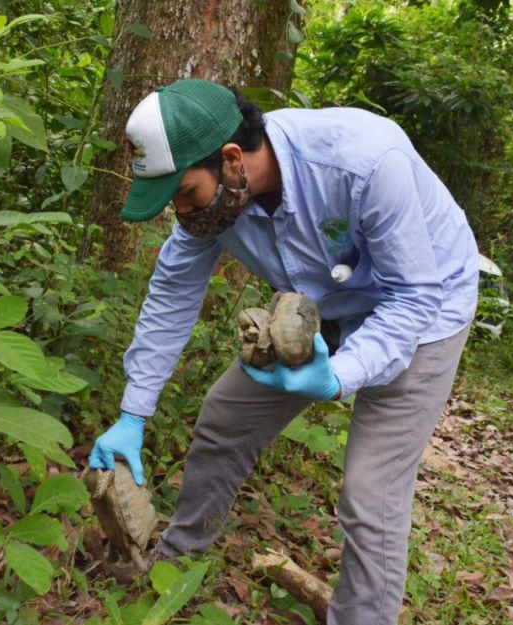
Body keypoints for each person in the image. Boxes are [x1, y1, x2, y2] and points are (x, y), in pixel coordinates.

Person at [87, 78, 479, 625]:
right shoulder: (213, 207)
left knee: (371, 496)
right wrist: (133, 412)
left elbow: (414, 295)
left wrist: (338, 375)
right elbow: (172, 296)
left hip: (424, 306)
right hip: (316, 307)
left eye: (184, 192)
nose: (180, 212)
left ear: (230, 160)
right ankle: (173, 565)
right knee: (225, 420)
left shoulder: (362, 161)